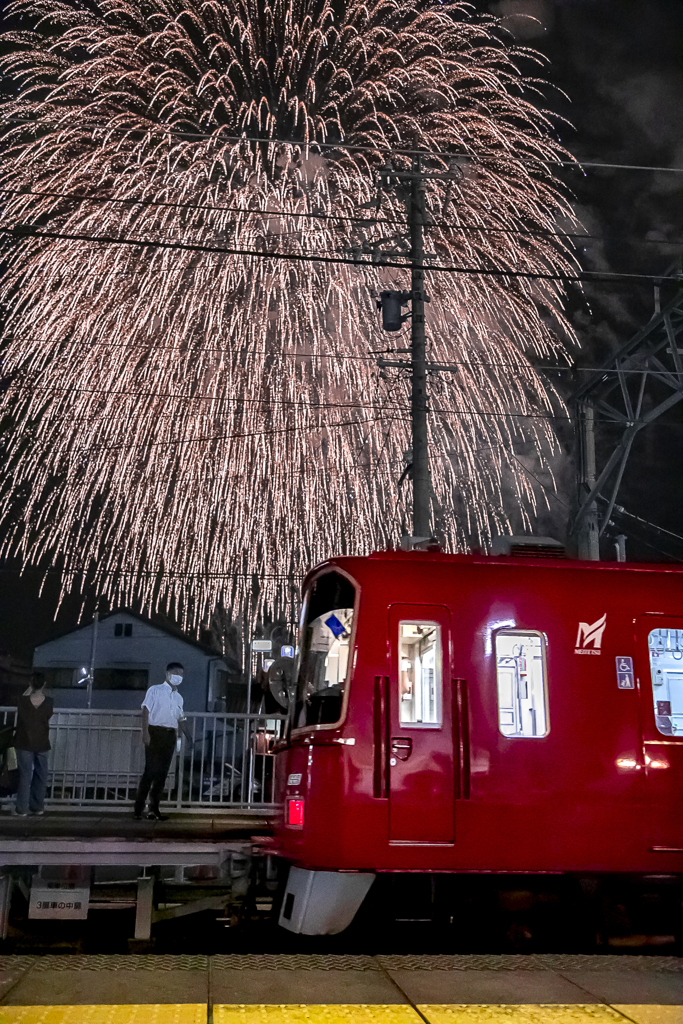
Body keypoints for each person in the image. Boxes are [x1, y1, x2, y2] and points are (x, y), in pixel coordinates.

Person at [134, 662, 189, 821]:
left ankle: (154, 809)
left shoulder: (178, 697)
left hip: (170, 734)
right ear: (167, 673)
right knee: (150, 771)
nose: (179, 676)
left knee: (162, 773)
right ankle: (139, 808)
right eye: (176, 672)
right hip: (155, 731)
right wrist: (145, 733)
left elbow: (180, 717)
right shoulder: (155, 690)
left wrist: (187, 734)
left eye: (181, 673)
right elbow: (146, 710)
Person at [14, 671, 54, 817]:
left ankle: (22, 808)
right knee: (41, 775)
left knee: (25, 776)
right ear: (44, 684)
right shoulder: (49, 702)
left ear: (30, 683)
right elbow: (47, 716)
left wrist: (31, 687)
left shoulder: (23, 701)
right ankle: (37, 806)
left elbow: (24, 698)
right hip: (42, 742)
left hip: (24, 742)